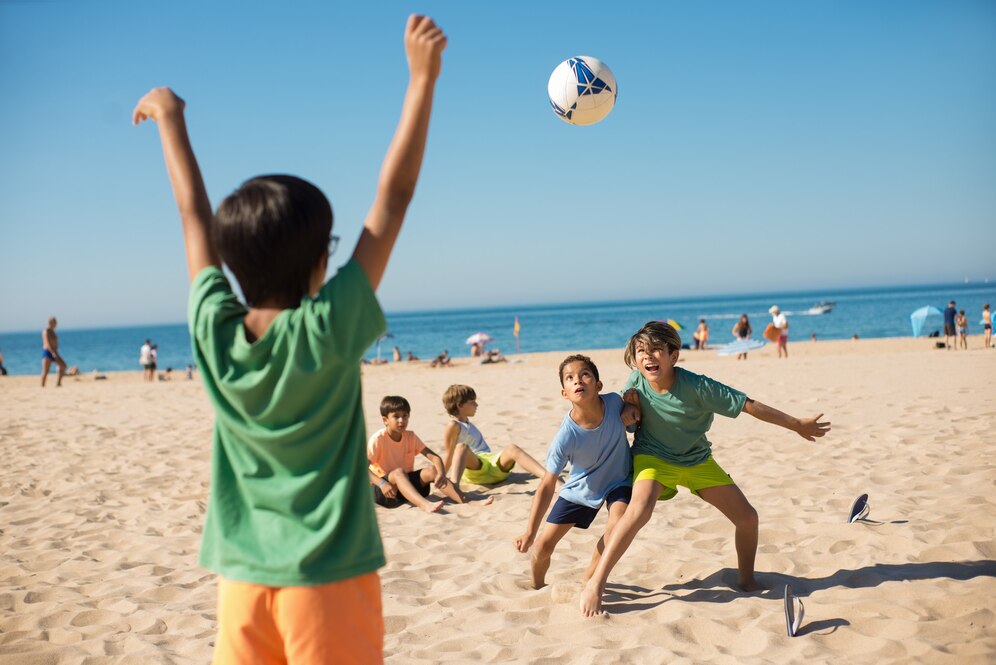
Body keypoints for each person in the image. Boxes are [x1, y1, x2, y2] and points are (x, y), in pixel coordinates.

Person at [132, 15, 447, 663]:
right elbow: (396, 197)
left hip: (242, 579)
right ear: (319, 265)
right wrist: (422, 79)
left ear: (230, 263)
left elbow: (192, 214)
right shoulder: (329, 327)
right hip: (330, 576)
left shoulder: (216, 329)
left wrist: (171, 118)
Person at [579, 321, 830, 617]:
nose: (648, 357)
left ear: (674, 356)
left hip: (697, 460)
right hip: (653, 458)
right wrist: (628, 410)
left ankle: (747, 580)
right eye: (641, 351)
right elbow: (629, 420)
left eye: (657, 350)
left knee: (748, 518)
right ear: (634, 358)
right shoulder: (634, 383)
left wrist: (796, 424)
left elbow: (748, 405)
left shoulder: (699, 387)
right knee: (639, 511)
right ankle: (596, 583)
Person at [513, 355, 636, 589]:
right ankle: (537, 585)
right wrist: (530, 531)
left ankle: (588, 580)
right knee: (542, 547)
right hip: (581, 488)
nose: (578, 381)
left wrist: (631, 406)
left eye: (585, 375)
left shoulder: (614, 403)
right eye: (569, 379)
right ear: (564, 393)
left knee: (617, 525)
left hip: (619, 481)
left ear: (599, 385)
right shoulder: (565, 437)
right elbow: (547, 485)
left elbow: (632, 422)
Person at [369, 395, 488, 512]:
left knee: (432, 470)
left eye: (405, 416)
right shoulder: (378, 439)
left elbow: (435, 457)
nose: (401, 420)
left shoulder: (410, 436)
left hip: (407, 489)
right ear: (385, 420)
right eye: (396, 417)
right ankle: (425, 505)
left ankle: (467, 501)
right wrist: (382, 483)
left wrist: (441, 473)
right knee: (398, 472)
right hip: (385, 492)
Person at [442, 384, 547, 492]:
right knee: (461, 447)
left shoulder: (468, 423)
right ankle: (454, 488)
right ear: (460, 405)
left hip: (493, 468)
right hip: (475, 470)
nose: (476, 405)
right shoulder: (453, 425)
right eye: (472, 401)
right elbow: (449, 454)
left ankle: (549, 478)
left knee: (512, 448)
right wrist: (442, 476)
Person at [41, 317, 68, 387]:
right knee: (46, 371)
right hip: (47, 352)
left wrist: (55, 352)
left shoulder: (53, 331)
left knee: (63, 365)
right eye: (54, 323)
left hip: (55, 352)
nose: (56, 325)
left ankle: (58, 383)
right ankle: (42, 386)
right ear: (50, 323)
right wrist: (52, 352)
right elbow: (47, 343)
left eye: (56, 323)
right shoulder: (46, 331)